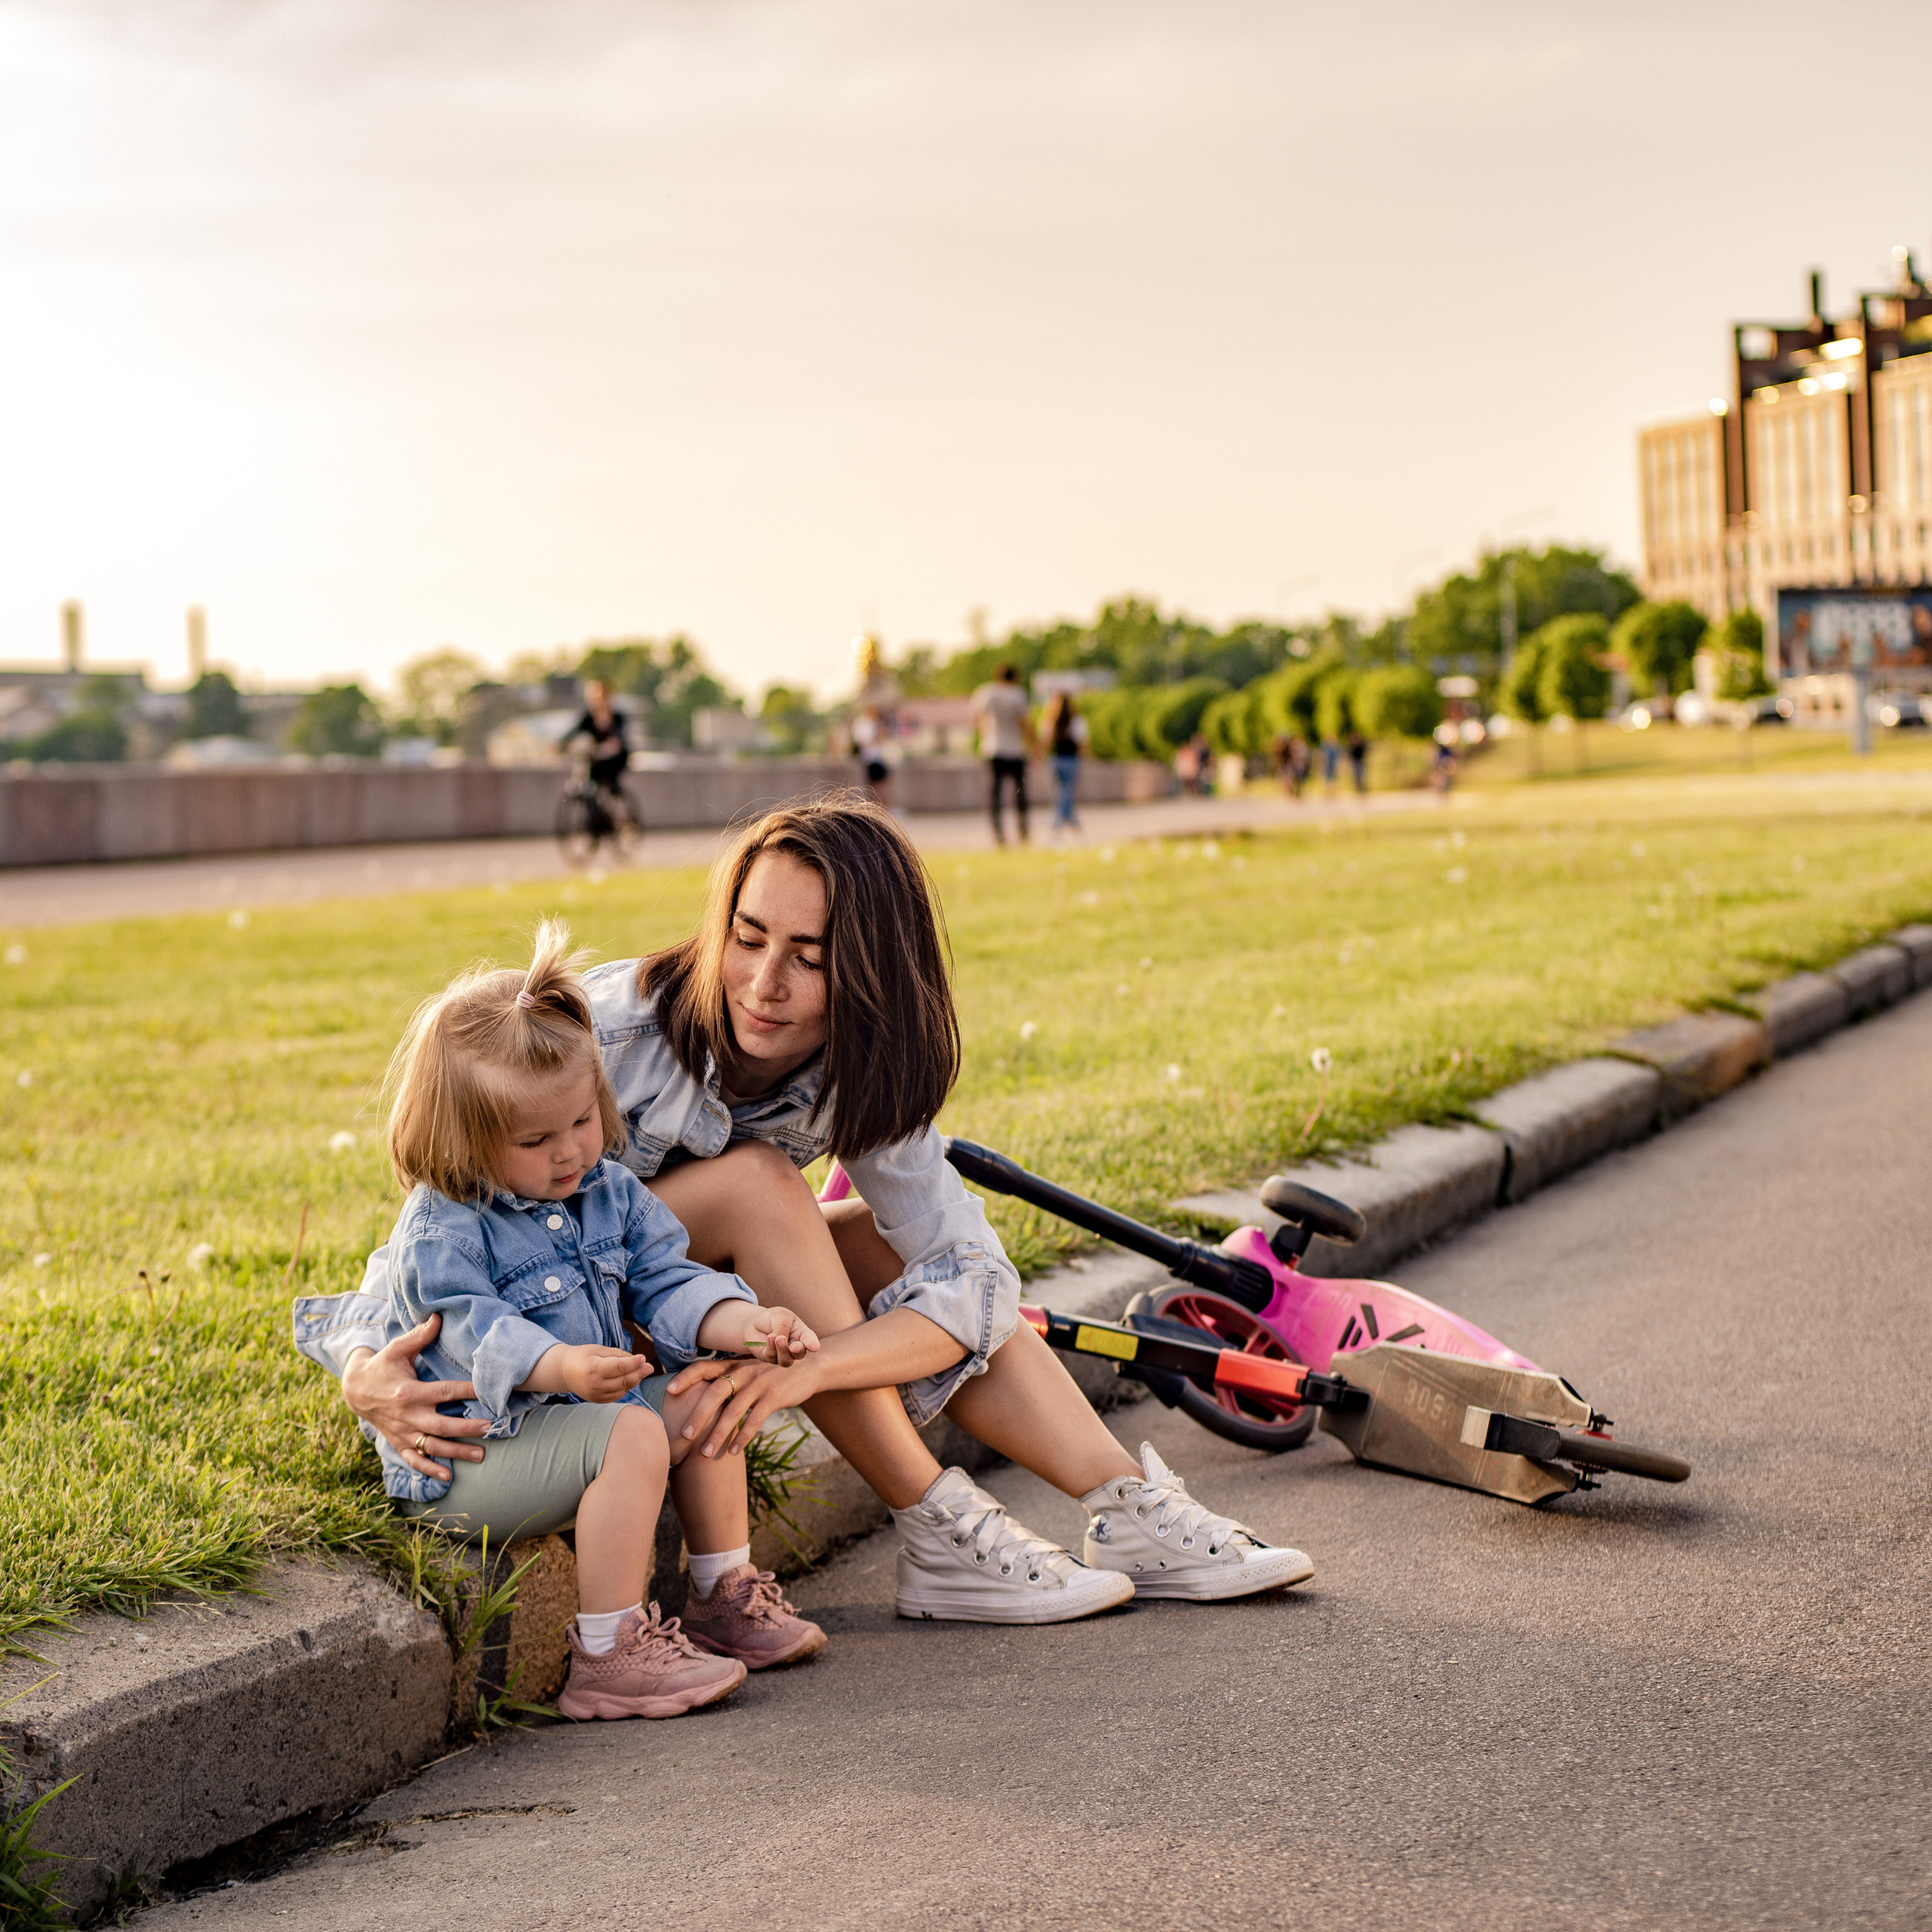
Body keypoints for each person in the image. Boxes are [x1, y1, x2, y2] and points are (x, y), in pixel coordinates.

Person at [313, 796, 1314, 1626]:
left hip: (695, 1309)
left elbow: (972, 1285)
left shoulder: (862, 1071)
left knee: (886, 1245)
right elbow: (427, 1236)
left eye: (809, 954)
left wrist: (818, 1368)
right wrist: (363, 1369)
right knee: (762, 1184)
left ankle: (1121, 1503)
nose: (763, 982)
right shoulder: (606, 1033)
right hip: (566, 1348)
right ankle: (933, 1521)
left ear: (871, 971)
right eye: (747, 938)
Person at [295, 920, 827, 1720]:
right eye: (535, 1138)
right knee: (633, 1431)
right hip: (471, 1455)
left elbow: (666, 1278)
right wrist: (564, 1368)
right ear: (464, 1141)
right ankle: (609, 1654)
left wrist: (742, 1323)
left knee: (706, 1392)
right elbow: (477, 1334)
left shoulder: (607, 1192)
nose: (570, 1151)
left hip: (568, 1423)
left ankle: (722, 1593)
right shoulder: (442, 1228)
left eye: (582, 1120)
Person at [970, 663, 1034, 847]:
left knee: (995, 795)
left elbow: (977, 719)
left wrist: (984, 734)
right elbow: (1025, 724)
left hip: (993, 749)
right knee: (1020, 794)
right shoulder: (1018, 694)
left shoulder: (986, 692)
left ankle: (999, 836)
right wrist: (1034, 745)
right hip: (1015, 750)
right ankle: (1023, 833)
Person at [1041, 691, 1088, 838]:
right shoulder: (1077, 720)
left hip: (1055, 760)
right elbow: (1082, 742)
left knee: (1062, 793)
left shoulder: (1049, 720)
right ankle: (1059, 823)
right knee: (1066, 793)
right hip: (1070, 760)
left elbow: (1045, 742)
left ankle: (1073, 823)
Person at [1346, 730, 1368, 795]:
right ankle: (1358, 788)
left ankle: (1361, 788)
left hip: (1360, 761)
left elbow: (1364, 751)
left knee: (1361, 775)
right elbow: (1350, 754)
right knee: (1356, 776)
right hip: (1355, 762)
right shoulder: (1352, 745)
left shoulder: (1360, 744)